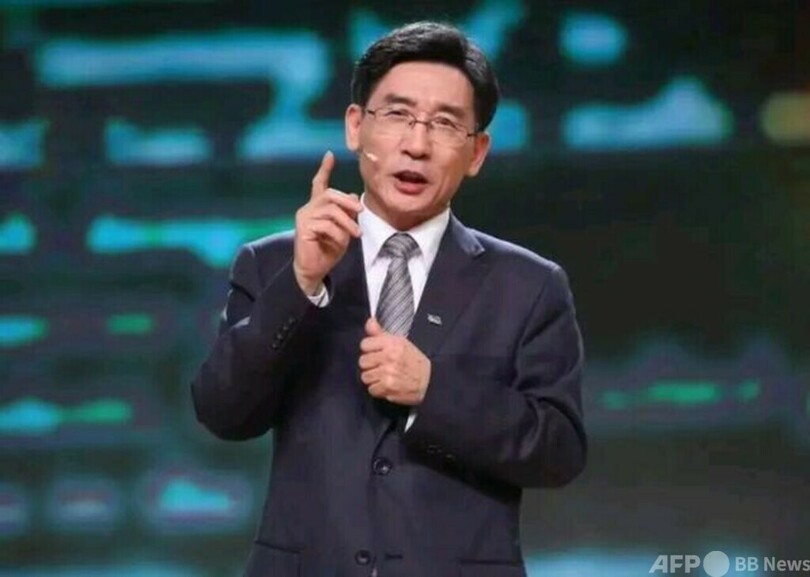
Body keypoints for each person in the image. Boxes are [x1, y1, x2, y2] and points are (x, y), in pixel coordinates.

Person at [192, 20, 586, 577]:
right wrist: (302, 283)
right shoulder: (273, 264)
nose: (417, 145)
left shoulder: (529, 285)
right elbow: (222, 411)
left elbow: (559, 450)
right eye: (398, 115)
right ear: (356, 126)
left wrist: (433, 392)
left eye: (445, 124)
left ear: (477, 152)